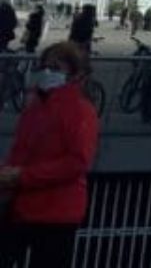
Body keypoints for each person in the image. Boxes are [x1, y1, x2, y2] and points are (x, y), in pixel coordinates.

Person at [0, 42, 101, 267]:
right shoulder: (36, 107)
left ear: (76, 75)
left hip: (56, 213)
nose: (47, 72)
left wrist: (20, 176)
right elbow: (21, 150)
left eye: (56, 68)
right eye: (44, 66)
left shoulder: (80, 110)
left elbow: (76, 162)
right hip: (23, 207)